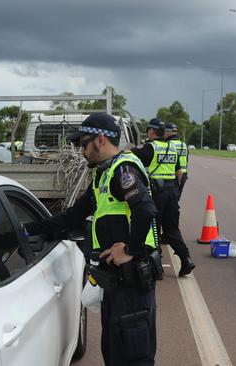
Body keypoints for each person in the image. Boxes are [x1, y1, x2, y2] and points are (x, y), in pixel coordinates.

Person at [24, 112, 158, 366]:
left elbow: (146, 210)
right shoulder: (102, 175)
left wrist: (129, 249)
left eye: (83, 144)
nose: (81, 151)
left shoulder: (124, 170)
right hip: (116, 283)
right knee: (114, 350)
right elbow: (72, 217)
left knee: (133, 356)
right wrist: (26, 230)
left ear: (99, 140)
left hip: (132, 283)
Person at [131, 119, 195, 277]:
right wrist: (175, 192)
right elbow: (179, 173)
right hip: (172, 191)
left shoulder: (150, 147)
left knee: (153, 230)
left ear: (152, 131)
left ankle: (157, 268)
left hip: (156, 193)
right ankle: (186, 259)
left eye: (148, 130)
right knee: (172, 228)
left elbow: (135, 157)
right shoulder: (173, 148)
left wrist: (129, 148)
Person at [165, 123, 189, 199]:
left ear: (169, 132)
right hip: (183, 175)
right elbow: (186, 160)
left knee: (170, 201)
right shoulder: (184, 145)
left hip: (173, 175)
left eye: (164, 131)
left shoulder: (167, 144)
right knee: (176, 198)